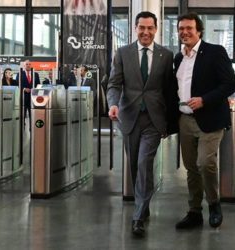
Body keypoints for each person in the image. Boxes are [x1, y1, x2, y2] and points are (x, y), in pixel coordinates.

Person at [106, 11, 174, 237]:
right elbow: (114, 84)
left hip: (154, 119)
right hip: (129, 117)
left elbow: (169, 91)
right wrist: (113, 104)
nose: (146, 32)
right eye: (141, 28)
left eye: (150, 28)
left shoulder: (166, 55)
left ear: (156, 29)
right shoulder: (123, 53)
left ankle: (138, 217)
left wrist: (169, 122)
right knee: (135, 165)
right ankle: (142, 205)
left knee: (145, 162)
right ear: (135, 28)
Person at [173, 13, 235, 230]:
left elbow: (229, 84)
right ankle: (194, 212)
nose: (185, 32)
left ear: (199, 31)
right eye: (181, 28)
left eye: (189, 28)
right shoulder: (178, 58)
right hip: (185, 121)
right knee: (191, 168)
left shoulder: (215, 52)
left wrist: (204, 100)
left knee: (205, 163)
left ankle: (214, 204)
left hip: (210, 119)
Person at [16, 60, 40, 130]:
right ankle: (21, 129)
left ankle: (32, 128)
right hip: (23, 97)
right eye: (27, 64)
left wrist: (33, 90)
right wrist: (24, 89)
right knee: (22, 114)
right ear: (24, 66)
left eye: (29, 64)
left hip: (32, 98)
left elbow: (38, 85)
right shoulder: (20, 74)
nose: (28, 65)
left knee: (32, 114)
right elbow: (18, 84)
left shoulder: (36, 74)